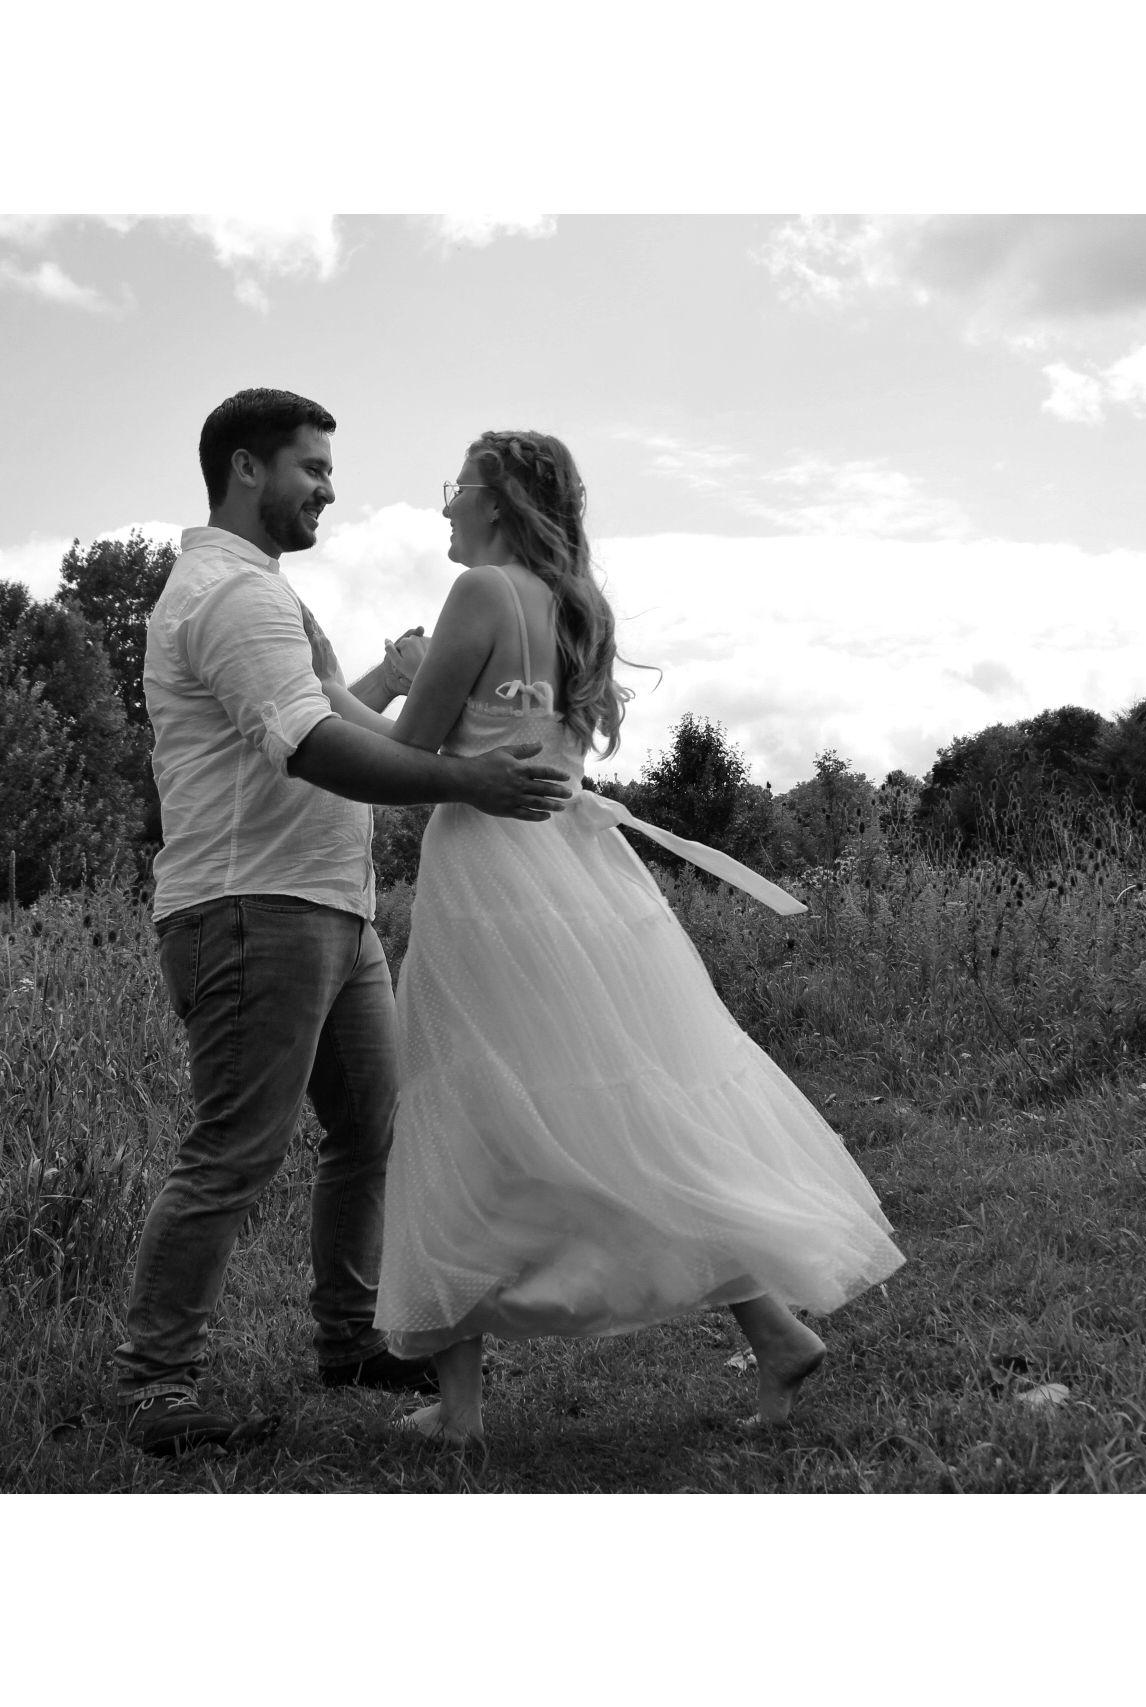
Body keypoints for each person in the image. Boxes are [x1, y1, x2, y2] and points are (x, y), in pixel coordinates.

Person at [368, 430, 907, 1444]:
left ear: (498, 501)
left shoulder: (480, 594)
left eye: (458, 488)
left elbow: (407, 757)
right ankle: (774, 1330)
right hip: (582, 874)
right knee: (617, 1106)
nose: (444, 506)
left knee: (465, 1106)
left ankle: (462, 1410)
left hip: (491, 877)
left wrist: (371, 681)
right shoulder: (577, 606)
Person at [115, 390, 573, 1456]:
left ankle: (350, 1337)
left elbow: (318, 710)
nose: (329, 488)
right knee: (234, 1149)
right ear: (246, 469)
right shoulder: (233, 595)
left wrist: (394, 687)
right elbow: (312, 746)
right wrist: (465, 779)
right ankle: (154, 1384)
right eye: (312, 468)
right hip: (250, 906)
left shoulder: (265, 593)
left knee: (372, 1129)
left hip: (328, 904)